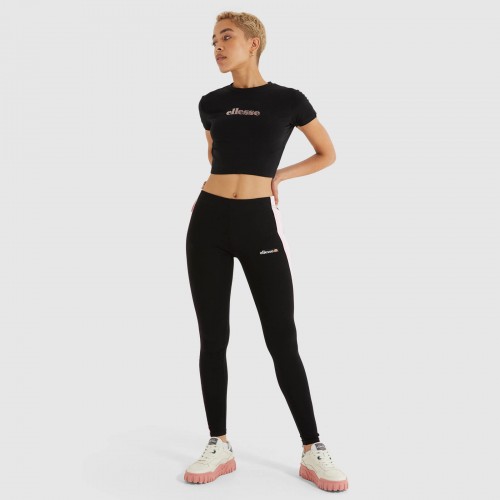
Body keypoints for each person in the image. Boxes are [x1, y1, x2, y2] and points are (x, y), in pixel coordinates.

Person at [184, 11, 349, 492]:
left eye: (226, 37)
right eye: (213, 40)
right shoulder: (210, 103)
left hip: (257, 223)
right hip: (208, 222)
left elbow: (327, 153)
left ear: (253, 42)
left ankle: (313, 448)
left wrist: (279, 176)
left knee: (282, 338)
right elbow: (215, 156)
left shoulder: (288, 100)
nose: (217, 47)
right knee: (213, 337)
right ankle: (218, 442)